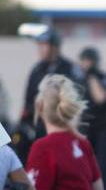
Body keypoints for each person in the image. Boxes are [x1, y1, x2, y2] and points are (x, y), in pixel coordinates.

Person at [15, 26, 84, 162]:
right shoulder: (37, 69)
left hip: (62, 125)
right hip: (38, 125)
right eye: (39, 45)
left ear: (55, 47)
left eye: (44, 45)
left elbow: (77, 100)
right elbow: (28, 99)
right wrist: (24, 122)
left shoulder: (69, 69)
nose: (40, 49)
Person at [79, 47, 106, 190]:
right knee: (82, 169)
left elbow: (101, 98)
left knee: (102, 169)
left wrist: (92, 77)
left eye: (89, 60)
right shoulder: (77, 79)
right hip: (84, 131)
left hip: (102, 131)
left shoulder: (105, 79)